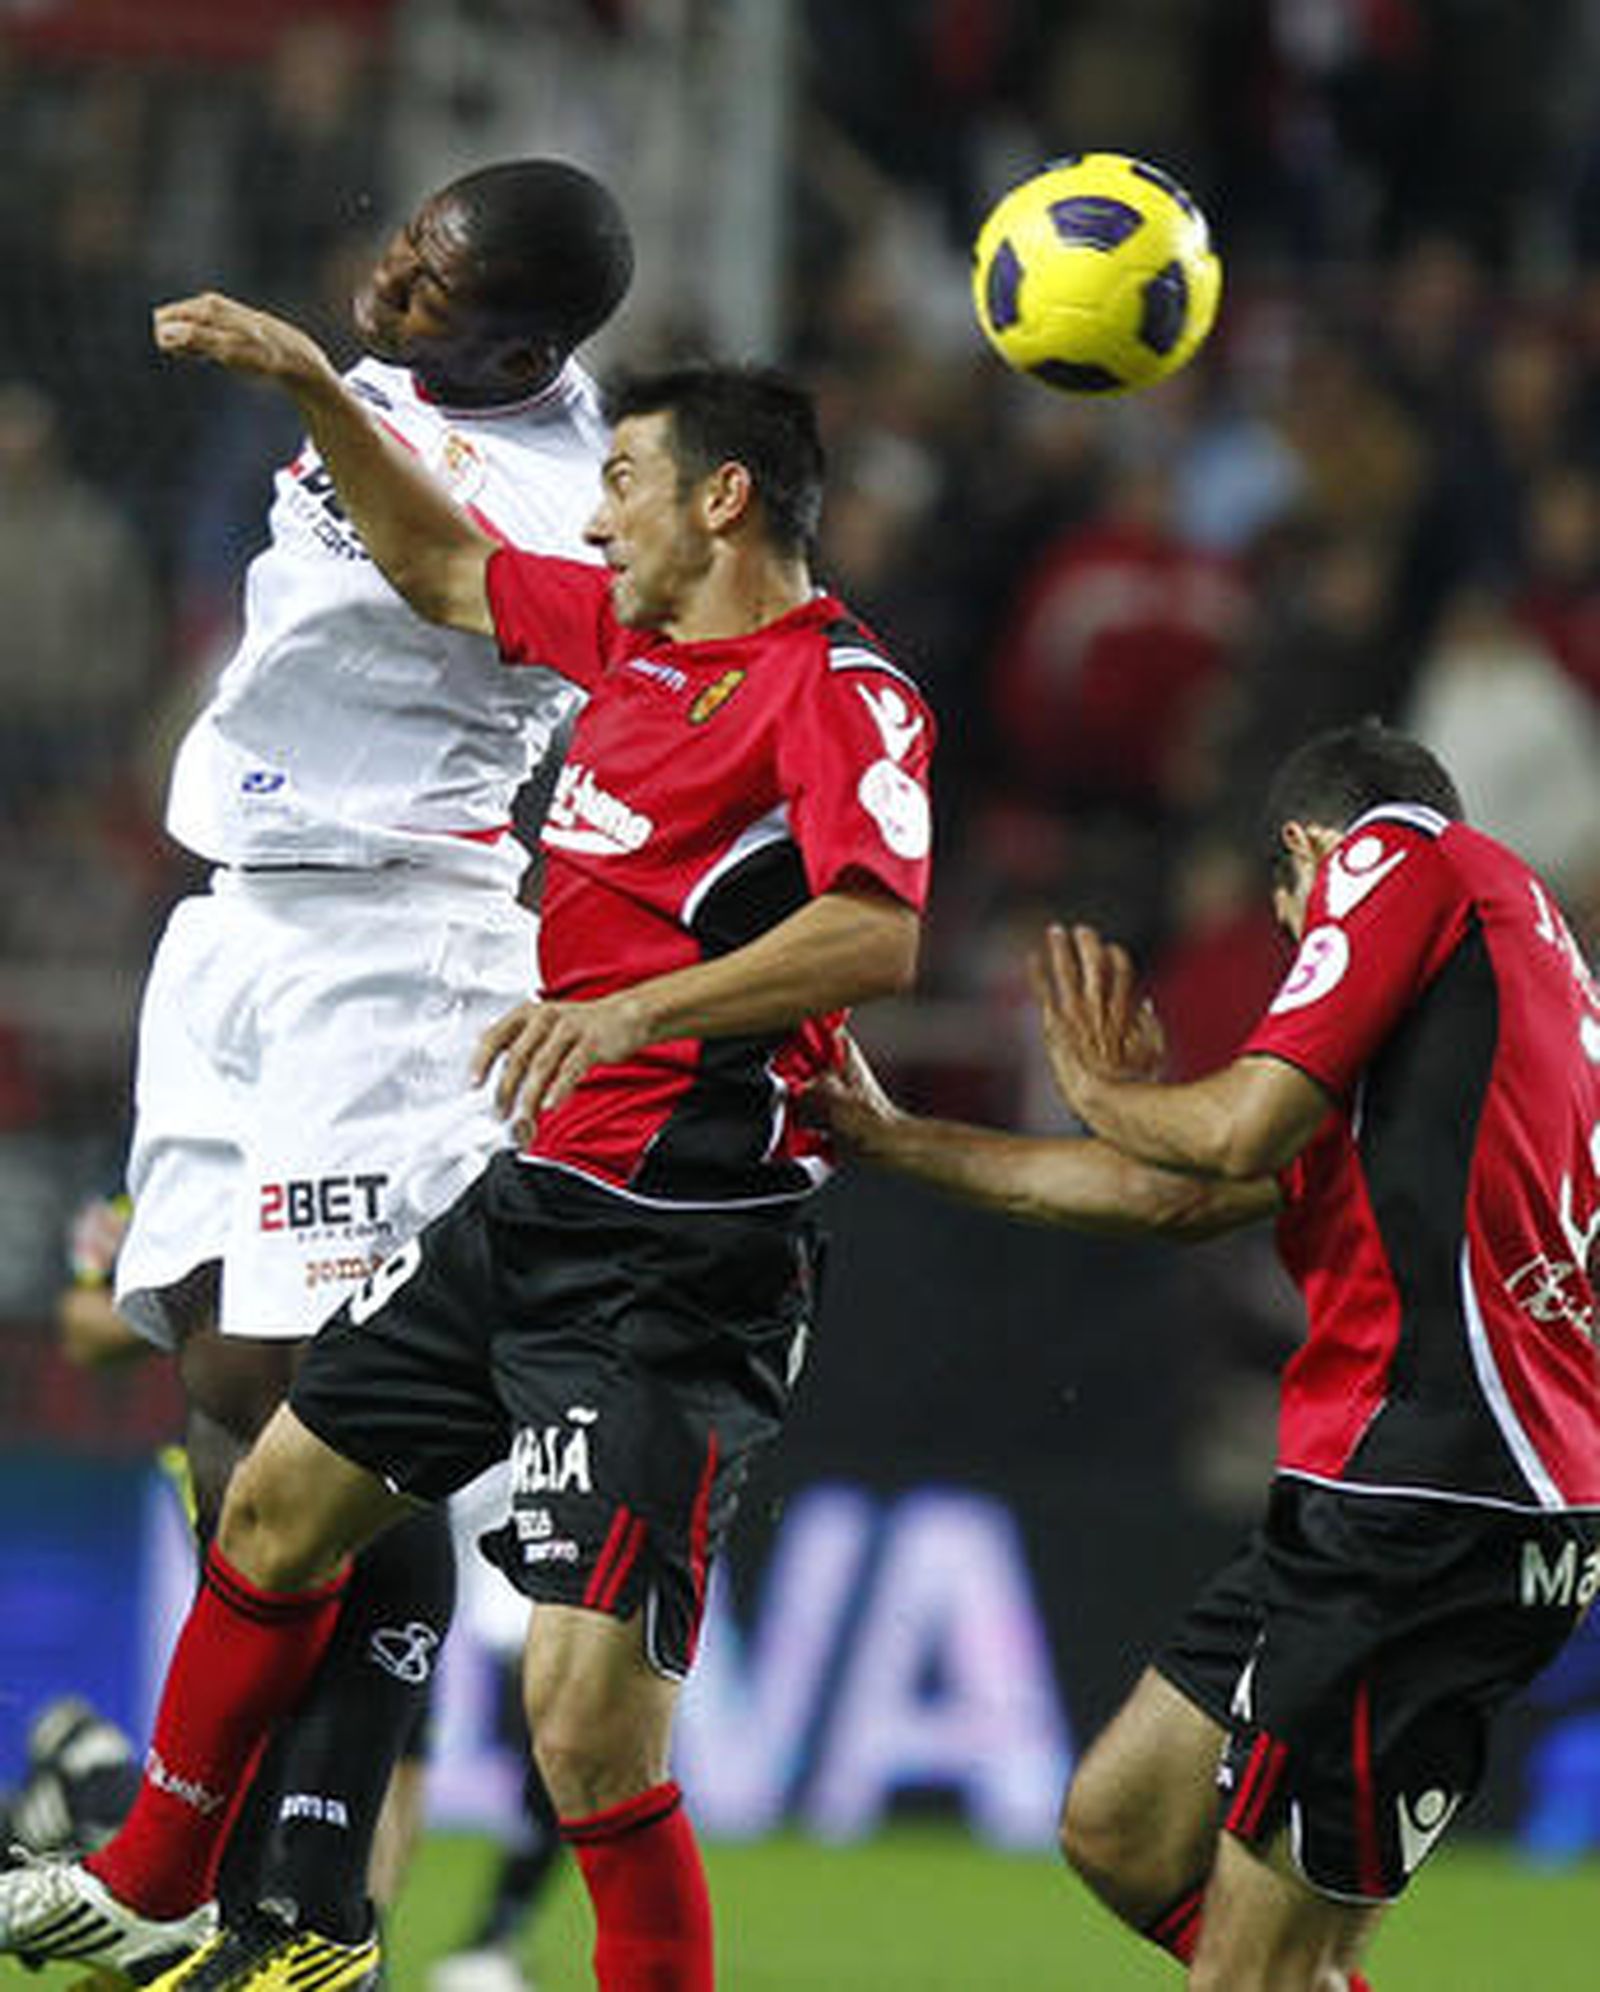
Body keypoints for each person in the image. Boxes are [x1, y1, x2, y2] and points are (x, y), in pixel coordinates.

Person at [0, 300, 933, 1992]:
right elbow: (440, 570)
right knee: (278, 1499)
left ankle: (338, 1903)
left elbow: (877, 936)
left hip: (683, 1250)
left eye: (625, 483)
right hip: (540, 1194)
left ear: (724, 498)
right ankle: (153, 1879)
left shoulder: (840, 694)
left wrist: (644, 1012)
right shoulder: (629, 643)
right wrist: (302, 385)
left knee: (586, 1734)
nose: (591, 514)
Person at [8, 160, 633, 1992]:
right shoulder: (402, 378)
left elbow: (451, 581)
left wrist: (297, 380)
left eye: (434, 275)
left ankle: (313, 1900)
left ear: (524, 333)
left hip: (400, 936)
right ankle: (226, 1876)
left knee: (340, 1401)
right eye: (407, 238)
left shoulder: (559, 483)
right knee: (214, 1371)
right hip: (234, 925)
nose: (392, 274)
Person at [817, 719, 1600, 1992]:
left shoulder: (1404, 861)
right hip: (1386, 1491)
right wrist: (898, 1139)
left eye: (1294, 915)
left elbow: (1228, 1136)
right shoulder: (1486, 991)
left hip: (1430, 1494)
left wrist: (1098, 1083)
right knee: (1122, 1827)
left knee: (1247, 1969)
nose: (1300, 946)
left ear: (1305, 850)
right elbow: (1176, 1193)